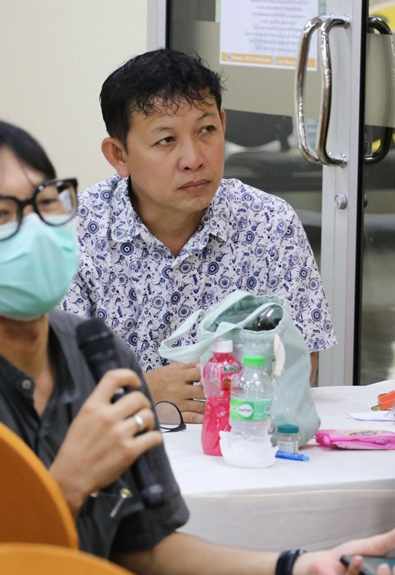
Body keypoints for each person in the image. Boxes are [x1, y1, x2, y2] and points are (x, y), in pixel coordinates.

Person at [0, 117, 395, 575]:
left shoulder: (96, 357)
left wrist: (299, 569)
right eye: (0, 216)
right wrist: (65, 486)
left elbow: (146, 554)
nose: (36, 230)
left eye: (46, 203)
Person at [61, 49, 336, 423]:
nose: (193, 159)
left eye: (206, 130)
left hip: (240, 438)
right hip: (120, 443)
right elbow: (52, 382)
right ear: (119, 155)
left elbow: (301, 359)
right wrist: (139, 393)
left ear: (223, 124)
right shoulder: (74, 233)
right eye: (166, 140)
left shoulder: (269, 223)